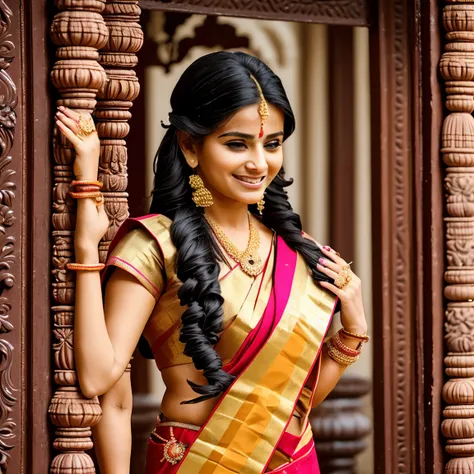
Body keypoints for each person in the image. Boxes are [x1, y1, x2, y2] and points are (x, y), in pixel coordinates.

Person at [54, 51, 368, 474]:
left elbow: (293, 405)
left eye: (272, 144)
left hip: (291, 463)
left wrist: (353, 331)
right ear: (189, 146)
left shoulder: (295, 251)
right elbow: (99, 380)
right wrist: (87, 249)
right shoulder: (155, 244)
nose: (259, 163)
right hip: (194, 461)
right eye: (237, 144)